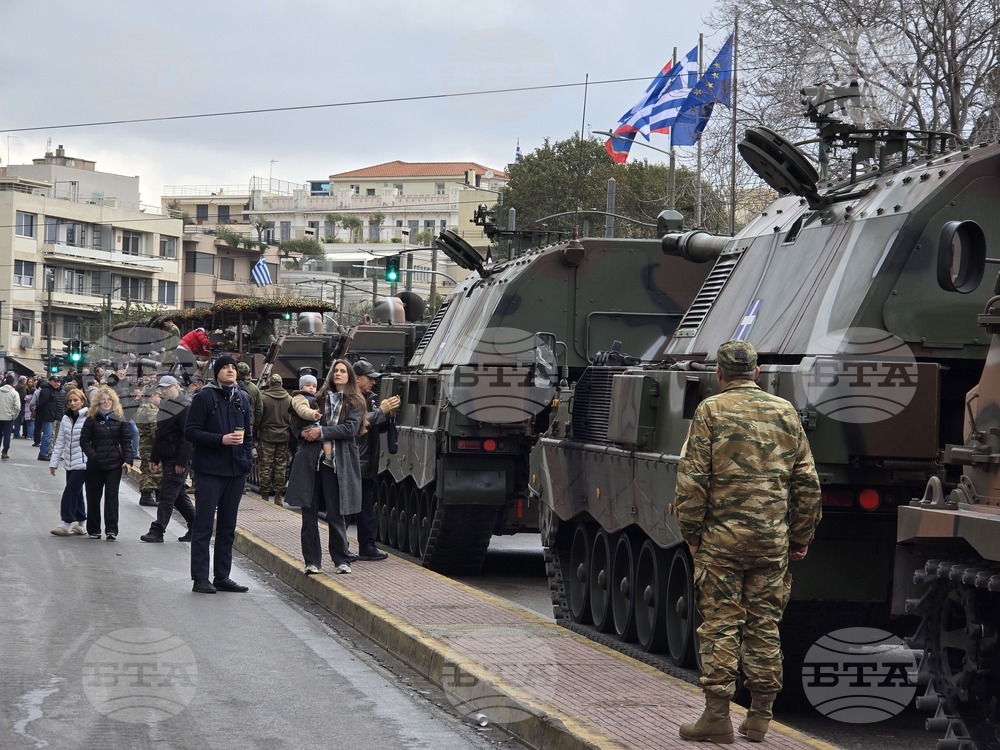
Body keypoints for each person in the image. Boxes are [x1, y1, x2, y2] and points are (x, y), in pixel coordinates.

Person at [675, 340, 822, 744]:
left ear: (720, 374)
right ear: (757, 373)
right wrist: (800, 537)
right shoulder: (786, 412)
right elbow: (807, 483)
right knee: (764, 626)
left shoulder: (710, 411)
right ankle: (759, 719)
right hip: (771, 542)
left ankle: (717, 718)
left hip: (721, 543)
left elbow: (692, 481)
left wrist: (691, 535)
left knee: (722, 624)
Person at [287, 360, 366, 576]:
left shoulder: (355, 402)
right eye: (336, 371)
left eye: (343, 371)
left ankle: (342, 559)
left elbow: (350, 428)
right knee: (308, 512)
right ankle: (312, 562)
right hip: (312, 461)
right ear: (331, 375)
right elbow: (295, 419)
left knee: (336, 512)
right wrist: (302, 433)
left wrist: (322, 433)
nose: (339, 374)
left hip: (337, 464)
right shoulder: (318, 398)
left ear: (349, 376)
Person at [184, 355, 253, 594]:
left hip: (235, 472)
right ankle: (200, 578)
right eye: (225, 367)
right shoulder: (204, 397)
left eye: (233, 367)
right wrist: (220, 440)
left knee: (227, 527)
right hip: (210, 471)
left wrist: (245, 460)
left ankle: (222, 575)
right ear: (217, 373)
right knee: (203, 526)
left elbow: (248, 433)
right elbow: (190, 432)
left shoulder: (242, 397)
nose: (230, 371)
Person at [352, 359, 400, 561]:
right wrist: (381, 411)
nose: (373, 382)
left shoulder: (367, 398)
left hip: (367, 463)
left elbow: (374, 426)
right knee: (348, 510)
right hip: (356, 462)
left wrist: (387, 416)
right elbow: (359, 424)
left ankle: (367, 546)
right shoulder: (351, 399)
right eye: (369, 378)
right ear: (357, 379)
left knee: (365, 509)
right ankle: (343, 547)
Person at [141, 375, 195, 543]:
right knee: (178, 496)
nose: (165, 391)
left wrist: (181, 461)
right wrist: (154, 458)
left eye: (168, 387)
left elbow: (188, 437)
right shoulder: (165, 406)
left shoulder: (185, 406)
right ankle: (196, 527)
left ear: (177, 386)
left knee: (167, 495)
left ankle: (158, 530)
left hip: (177, 458)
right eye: (163, 388)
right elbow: (160, 434)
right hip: (167, 457)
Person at [80, 386, 135, 541]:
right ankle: (94, 529)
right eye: (103, 399)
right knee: (93, 496)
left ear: (113, 401)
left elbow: (126, 441)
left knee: (111, 497)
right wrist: (93, 455)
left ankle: (111, 529)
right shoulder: (91, 419)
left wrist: (128, 460)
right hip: (95, 464)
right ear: (98, 402)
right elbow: (84, 440)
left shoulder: (120, 418)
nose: (106, 402)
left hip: (113, 464)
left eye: (109, 399)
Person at [49, 388, 89, 536]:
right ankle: (82, 523)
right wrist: (54, 462)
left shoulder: (89, 417)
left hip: (84, 463)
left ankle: (66, 523)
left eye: (75, 400)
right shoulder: (66, 418)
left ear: (82, 401)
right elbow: (60, 441)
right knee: (77, 493)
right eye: (70, 401)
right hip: (69, 462)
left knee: (70, 492)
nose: (72, 403)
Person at [257, 372, 292, 507]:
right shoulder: (289, 398)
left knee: (266, 467)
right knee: (281, 467)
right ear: (281, 384)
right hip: (283, 436)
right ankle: (278, 497)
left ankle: (265, 496)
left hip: (266, 436)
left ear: (270, 383)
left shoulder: (264, 398)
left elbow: (259, 417)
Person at [289, 374, 331, 468]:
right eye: (308, 385)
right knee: (325, 437)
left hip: (310, 425)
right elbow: (302, 410)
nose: (311, 388)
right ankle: (329, 458)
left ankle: (328, 457)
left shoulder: (315, 398)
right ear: (301, 387)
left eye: (314, 386)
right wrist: (314, 414)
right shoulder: (299, 398)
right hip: (306, 425)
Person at [135, 386, 161, 506]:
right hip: (151, 445)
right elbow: (155, 430)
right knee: (153, 470)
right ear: (153, 396)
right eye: (158, 396)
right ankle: (147, 496)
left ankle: (148, 494)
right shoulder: (151, 409)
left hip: (144, 443)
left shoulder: (142, 408)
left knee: (146, 468)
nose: (160, 399)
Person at [34, 374, 64, 460]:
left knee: (52, 436)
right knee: (48, 435)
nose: (57, 384)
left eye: (58, 382)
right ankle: (43, 453)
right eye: (55, 381)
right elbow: (42, 403)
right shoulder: (46, 390)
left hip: (54, 415)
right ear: (50, 381)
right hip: (48, 416)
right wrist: (37, 411)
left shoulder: (56, 391)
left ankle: (47, 452)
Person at [236, 361, 263, 435]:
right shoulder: (254, 388)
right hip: (248, 424)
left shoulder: (229, 385)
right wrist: (255, 425)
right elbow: (259, 410)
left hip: (232, 424)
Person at [0, 373, 20, 459]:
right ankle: (5, 451)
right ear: (13, 383)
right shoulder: (14, 393)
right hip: (8, 418)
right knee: (7, 435)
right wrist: (14, 415)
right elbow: (17, 407)